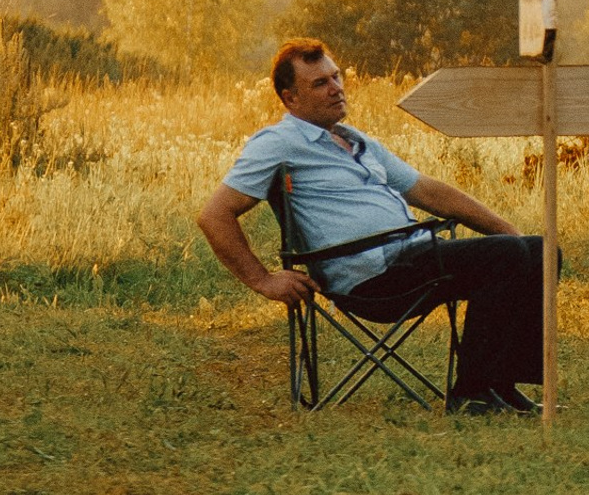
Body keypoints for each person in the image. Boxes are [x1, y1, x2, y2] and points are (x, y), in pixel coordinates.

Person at [197, 37, 545, 416]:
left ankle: (501, 384)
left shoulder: (355, 140)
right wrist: (263, 280)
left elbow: (426, 190)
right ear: (290, 98)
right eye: (320, 83)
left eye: (336, 77)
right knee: (506, 255)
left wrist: (505, 227)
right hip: (372, 278)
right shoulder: (278, 142)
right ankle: (473, 393)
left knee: (540, 249)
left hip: (412, 257)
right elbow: (215, 215)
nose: (336, 88)